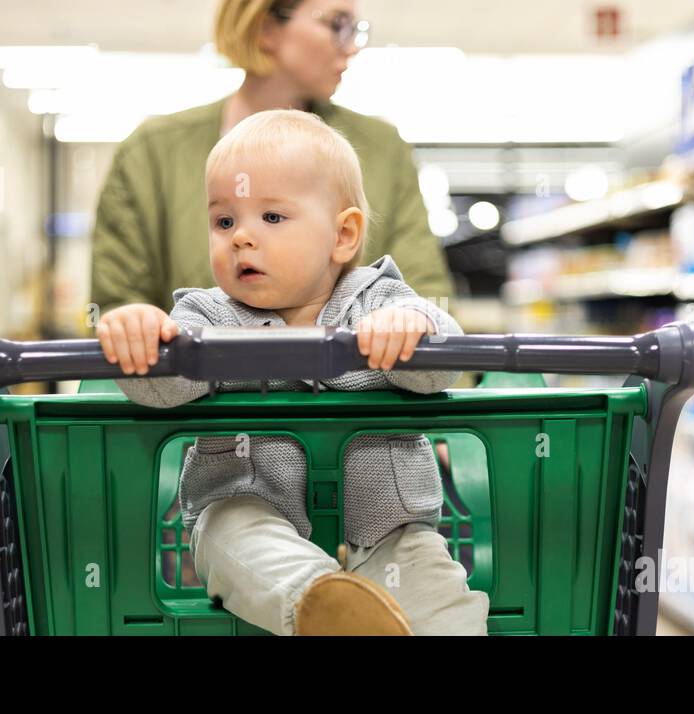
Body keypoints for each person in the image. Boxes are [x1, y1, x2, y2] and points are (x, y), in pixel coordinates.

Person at [95, 109, 489, 635]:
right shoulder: (206, 317)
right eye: (224, 221)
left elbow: (445, 366)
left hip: (388, 534)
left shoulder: (380, 300)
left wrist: (413, 329)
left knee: (439, 592)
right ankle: (327, 610)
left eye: (272, 218)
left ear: (342, 236)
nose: (241, 238)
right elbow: (163, 390)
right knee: (229, 538)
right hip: (248, 516)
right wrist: (143, 341)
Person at [90, 0, 451, 320]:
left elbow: (427, 297)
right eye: (337, 25)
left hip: (352, 394)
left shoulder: (382, 148)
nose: (352, 47)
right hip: (198, 392)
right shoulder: (152, 152)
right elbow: (116, 306)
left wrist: (414, 330)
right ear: (266, 26)